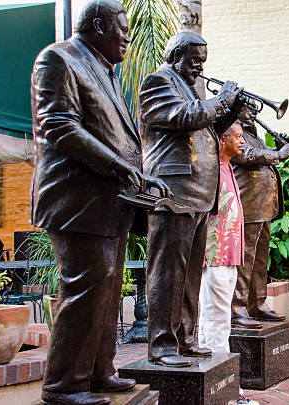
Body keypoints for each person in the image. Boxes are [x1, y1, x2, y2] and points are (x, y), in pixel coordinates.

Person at [31, 1, 170, 404]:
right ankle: (64, 385)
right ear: (96, 25)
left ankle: (98, 371)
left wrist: (137, 171)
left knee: (107, 287)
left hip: (110, 200)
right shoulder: (58, 59)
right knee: (85, 288)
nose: (127, 37)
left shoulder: (104, 70)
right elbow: (58, 125)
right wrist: (116, 164)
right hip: (76, 199)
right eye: (121, 29)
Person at [139, 31, 241, 367]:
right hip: (173, 190)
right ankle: (163, 346)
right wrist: (221, 100)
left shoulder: (189, 89)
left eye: (203, 61)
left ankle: (184, 338)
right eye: (195, 60)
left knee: (189, 274)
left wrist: (231, 110)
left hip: (197, 193)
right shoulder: (158, 82)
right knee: (168, 272)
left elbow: (205, 128)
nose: (200, 67)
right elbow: (182, 117)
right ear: (176, 54)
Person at [230, 109, 289, 327]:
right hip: (248, 205)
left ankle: (257, 304)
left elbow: (260, 152)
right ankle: (237, 308)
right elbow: (246, 155)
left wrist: (276, 148)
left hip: (262, 207)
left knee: (259, 260)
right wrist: (279, 154)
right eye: (247, 109)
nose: (252, 113)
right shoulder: (233, 131)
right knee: (245, 260)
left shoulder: (252, 134)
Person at [198, 120, 244, 352]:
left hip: (229, 257)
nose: (243, 141)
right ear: (223, 139)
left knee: (215, 316)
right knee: (217, 318)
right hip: (215, 255)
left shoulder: (227, 167)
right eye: (238, 136)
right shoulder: (212, 168)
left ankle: (212, 370)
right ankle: (221, 375)